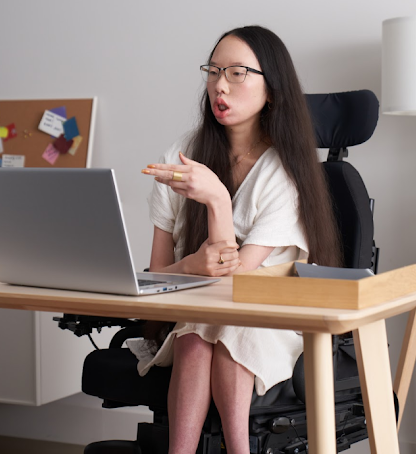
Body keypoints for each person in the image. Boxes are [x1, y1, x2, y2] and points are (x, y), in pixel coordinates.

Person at [132, 25, 342, 454]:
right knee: (195, 334)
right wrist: (190, 266)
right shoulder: (182, 154)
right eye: (213, 71)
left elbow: (235, 284)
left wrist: (216, 201)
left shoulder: (284, 171)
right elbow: (155, 278)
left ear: (273, 88)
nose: (219, 85)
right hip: (196, 314)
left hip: (268, 318)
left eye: (237, 73)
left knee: (231, 331)